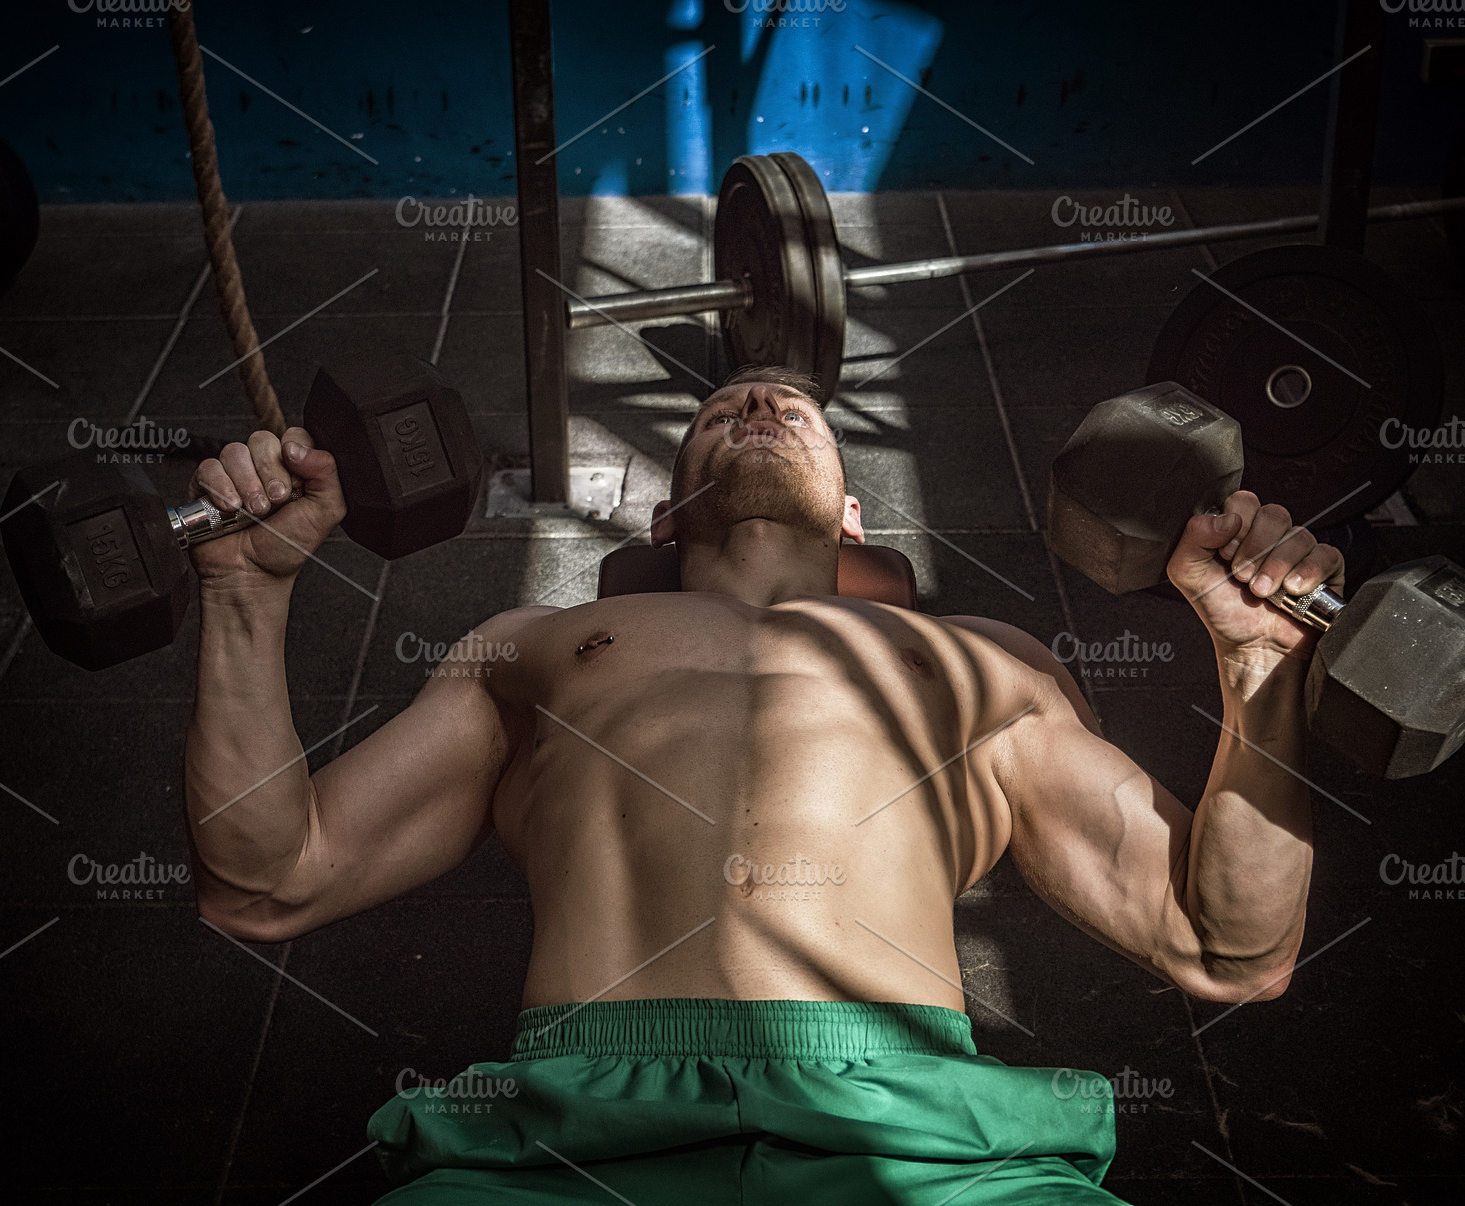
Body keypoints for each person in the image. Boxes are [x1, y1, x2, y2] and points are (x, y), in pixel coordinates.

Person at [183, 365, 1338, 1204]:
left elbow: (1227, 947)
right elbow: (270, 878)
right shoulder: (532, 643)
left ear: (851, 514)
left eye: (794, 405)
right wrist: (245, 593)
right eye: (718, 409)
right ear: (664, 516)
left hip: (920, 1142)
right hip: (571, 1144)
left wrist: (1260, 674)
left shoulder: (988, 661)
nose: (756, 403)